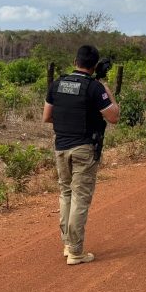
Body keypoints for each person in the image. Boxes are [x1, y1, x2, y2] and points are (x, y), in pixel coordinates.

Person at [43, 45, 120, 265]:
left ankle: (68, 244)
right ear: (94, 66)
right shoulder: (95, 87)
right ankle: (76, 251)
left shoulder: (56, 84)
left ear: (75, 61)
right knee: (80, 198)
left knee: (66, 193)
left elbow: (47, 117)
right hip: (84, 148)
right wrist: (106, 89)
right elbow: (114, 116)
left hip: (61, 146)